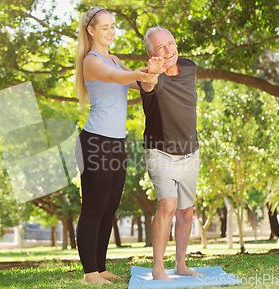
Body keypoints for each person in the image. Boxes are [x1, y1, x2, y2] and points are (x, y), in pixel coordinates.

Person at [74, 7, 162, 285]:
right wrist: (141, 74)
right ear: (91, 30)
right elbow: (115, 77)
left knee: (110, 206)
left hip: (116, 142)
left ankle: (100, 267)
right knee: (93, 206)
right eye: (105, 27)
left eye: (113, 26)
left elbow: (140, 85)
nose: (111, 31)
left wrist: (152, 74)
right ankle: (89, 273)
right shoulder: (91, 61)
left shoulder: (114, 58)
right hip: (95, 142)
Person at [138, 26, 205, 281]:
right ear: (151, 54)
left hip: (190, 151)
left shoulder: (189, 68)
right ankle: (158, 269)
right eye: (160, 48)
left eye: (170, 44)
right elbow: (148, 86)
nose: (168, 51)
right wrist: (153, 74)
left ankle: (180, 265)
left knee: (186, 211)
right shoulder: (148, 75)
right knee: (168, 204)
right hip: (160, 152)